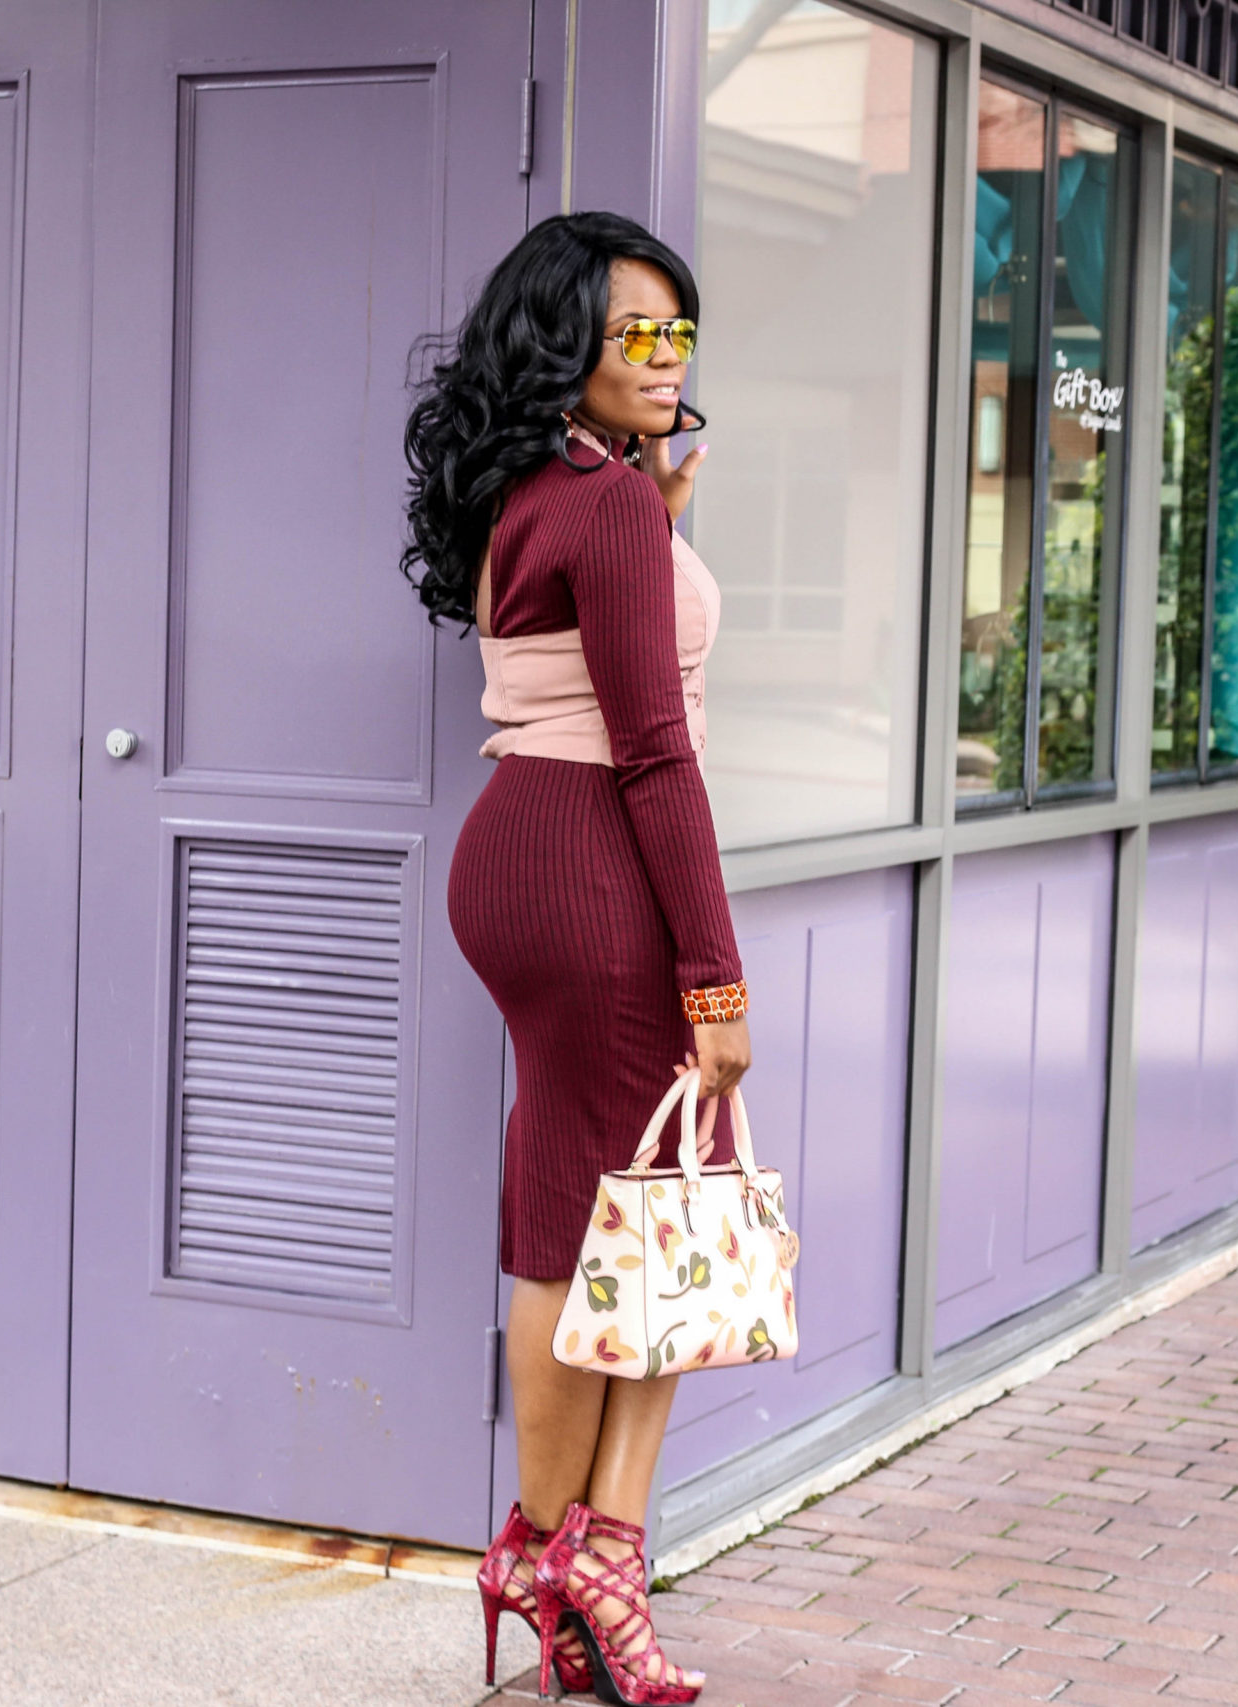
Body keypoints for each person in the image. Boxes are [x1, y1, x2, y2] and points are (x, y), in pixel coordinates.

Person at [403, 212, 748, 1706]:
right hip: (596, 858)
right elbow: (656, 750)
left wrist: (655, 514)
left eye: (681, 334)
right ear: (564, 348)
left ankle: (572, 1560)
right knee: (639, 1208)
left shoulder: (540, 494)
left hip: (524, 854)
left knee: (588, 1201)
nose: (667, 360)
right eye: (635, 335)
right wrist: (717, 981)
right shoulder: (600, 506)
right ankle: (573, 1554)